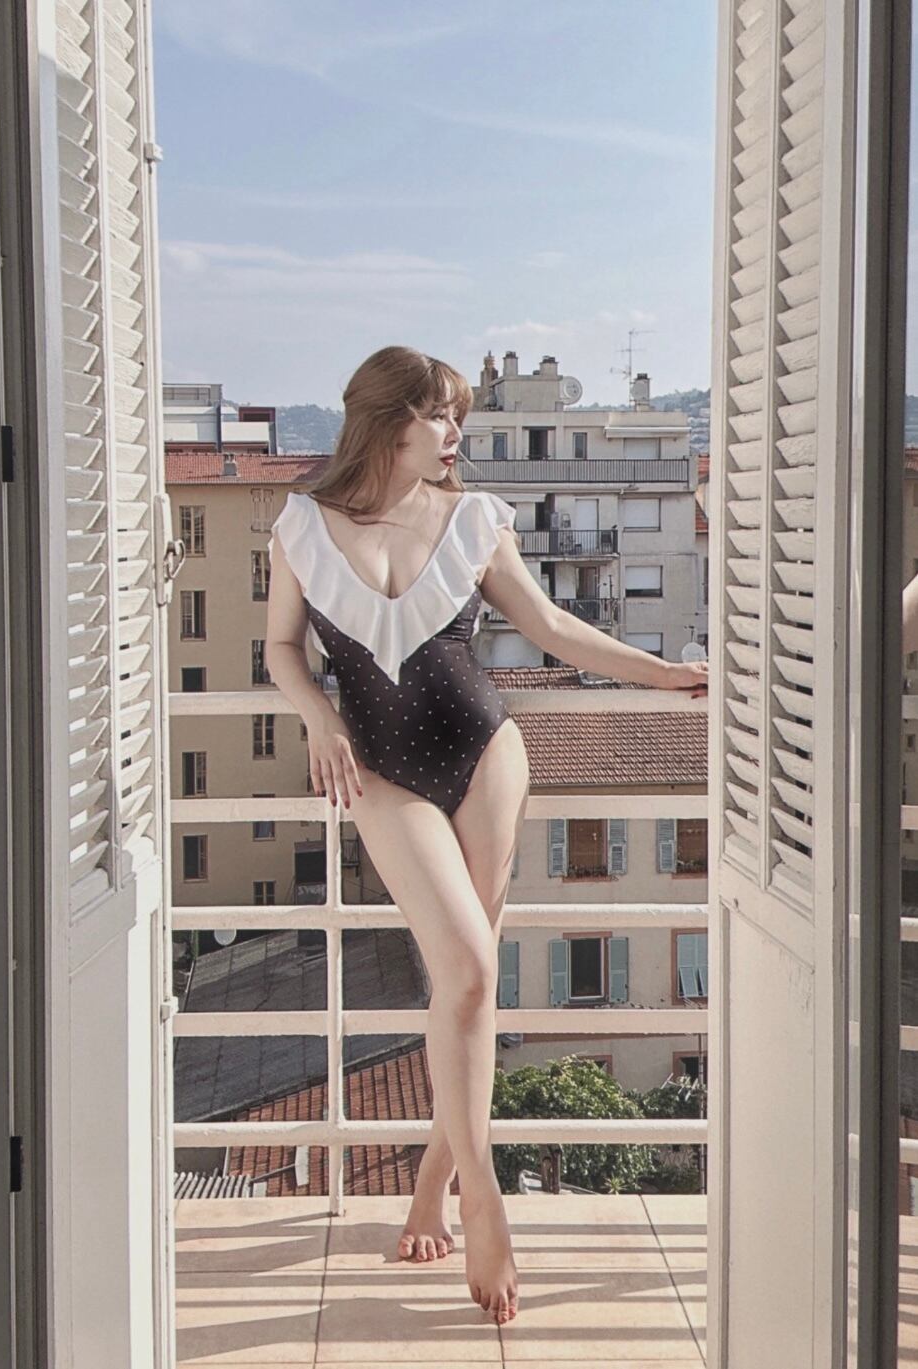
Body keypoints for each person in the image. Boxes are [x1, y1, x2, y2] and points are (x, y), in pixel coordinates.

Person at [264, 345, 709, 1326]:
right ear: (390, 421)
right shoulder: (301, 525)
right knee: (465, 970)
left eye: (456, 415)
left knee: (465, 988)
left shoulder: (473, 518)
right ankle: (483, 1190)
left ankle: (438, 1188)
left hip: (485, 754)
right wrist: (316, 718)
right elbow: (280, 648)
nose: (453, 432)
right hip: (380, 773)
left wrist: (666, 673)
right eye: (439, 415)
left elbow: (550, 628)